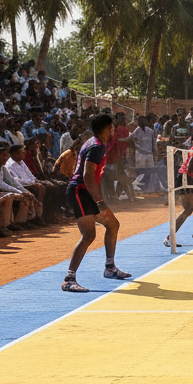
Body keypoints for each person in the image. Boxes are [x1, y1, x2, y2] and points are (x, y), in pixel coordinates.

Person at [62, 113, 132, 292]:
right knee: (88, 235)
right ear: (109, 128)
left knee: (113, 224)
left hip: (85, 191)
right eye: (112, 126)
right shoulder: (96, 147)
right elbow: (87, 175)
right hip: (80, 191)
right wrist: (99, 200)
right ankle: (69, 279)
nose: (114, 129)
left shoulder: (97, 142)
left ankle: (110, 268)